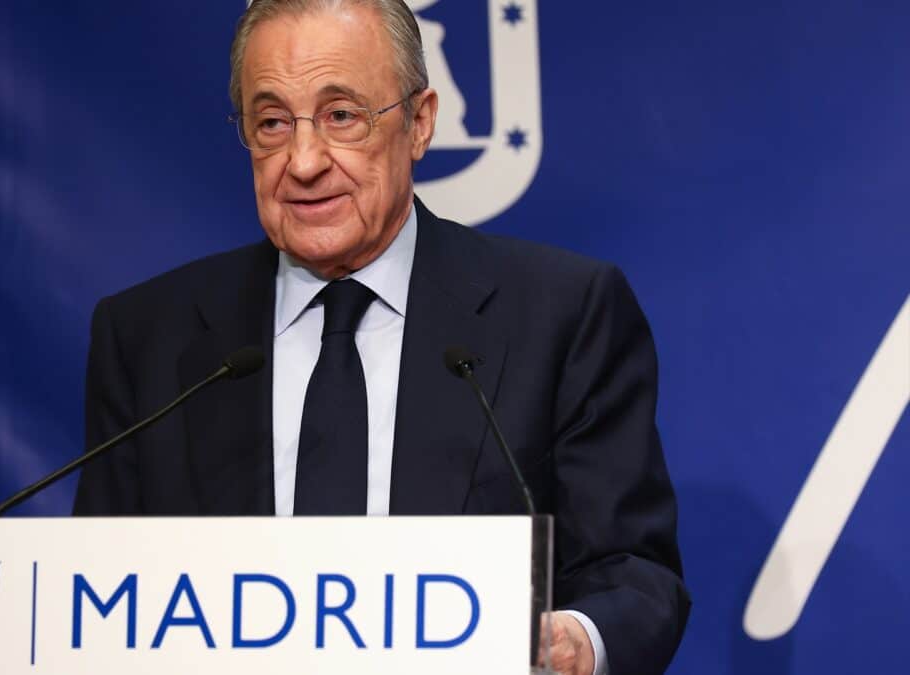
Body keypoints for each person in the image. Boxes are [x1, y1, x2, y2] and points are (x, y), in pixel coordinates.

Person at [74, 1, 690, 673]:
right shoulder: (149, 336)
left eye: (342, 116)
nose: (304, 161)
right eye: (273, 122)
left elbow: (633, 570)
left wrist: (575, 637)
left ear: (419, 122)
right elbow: (99, 593)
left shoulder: (561, 313)